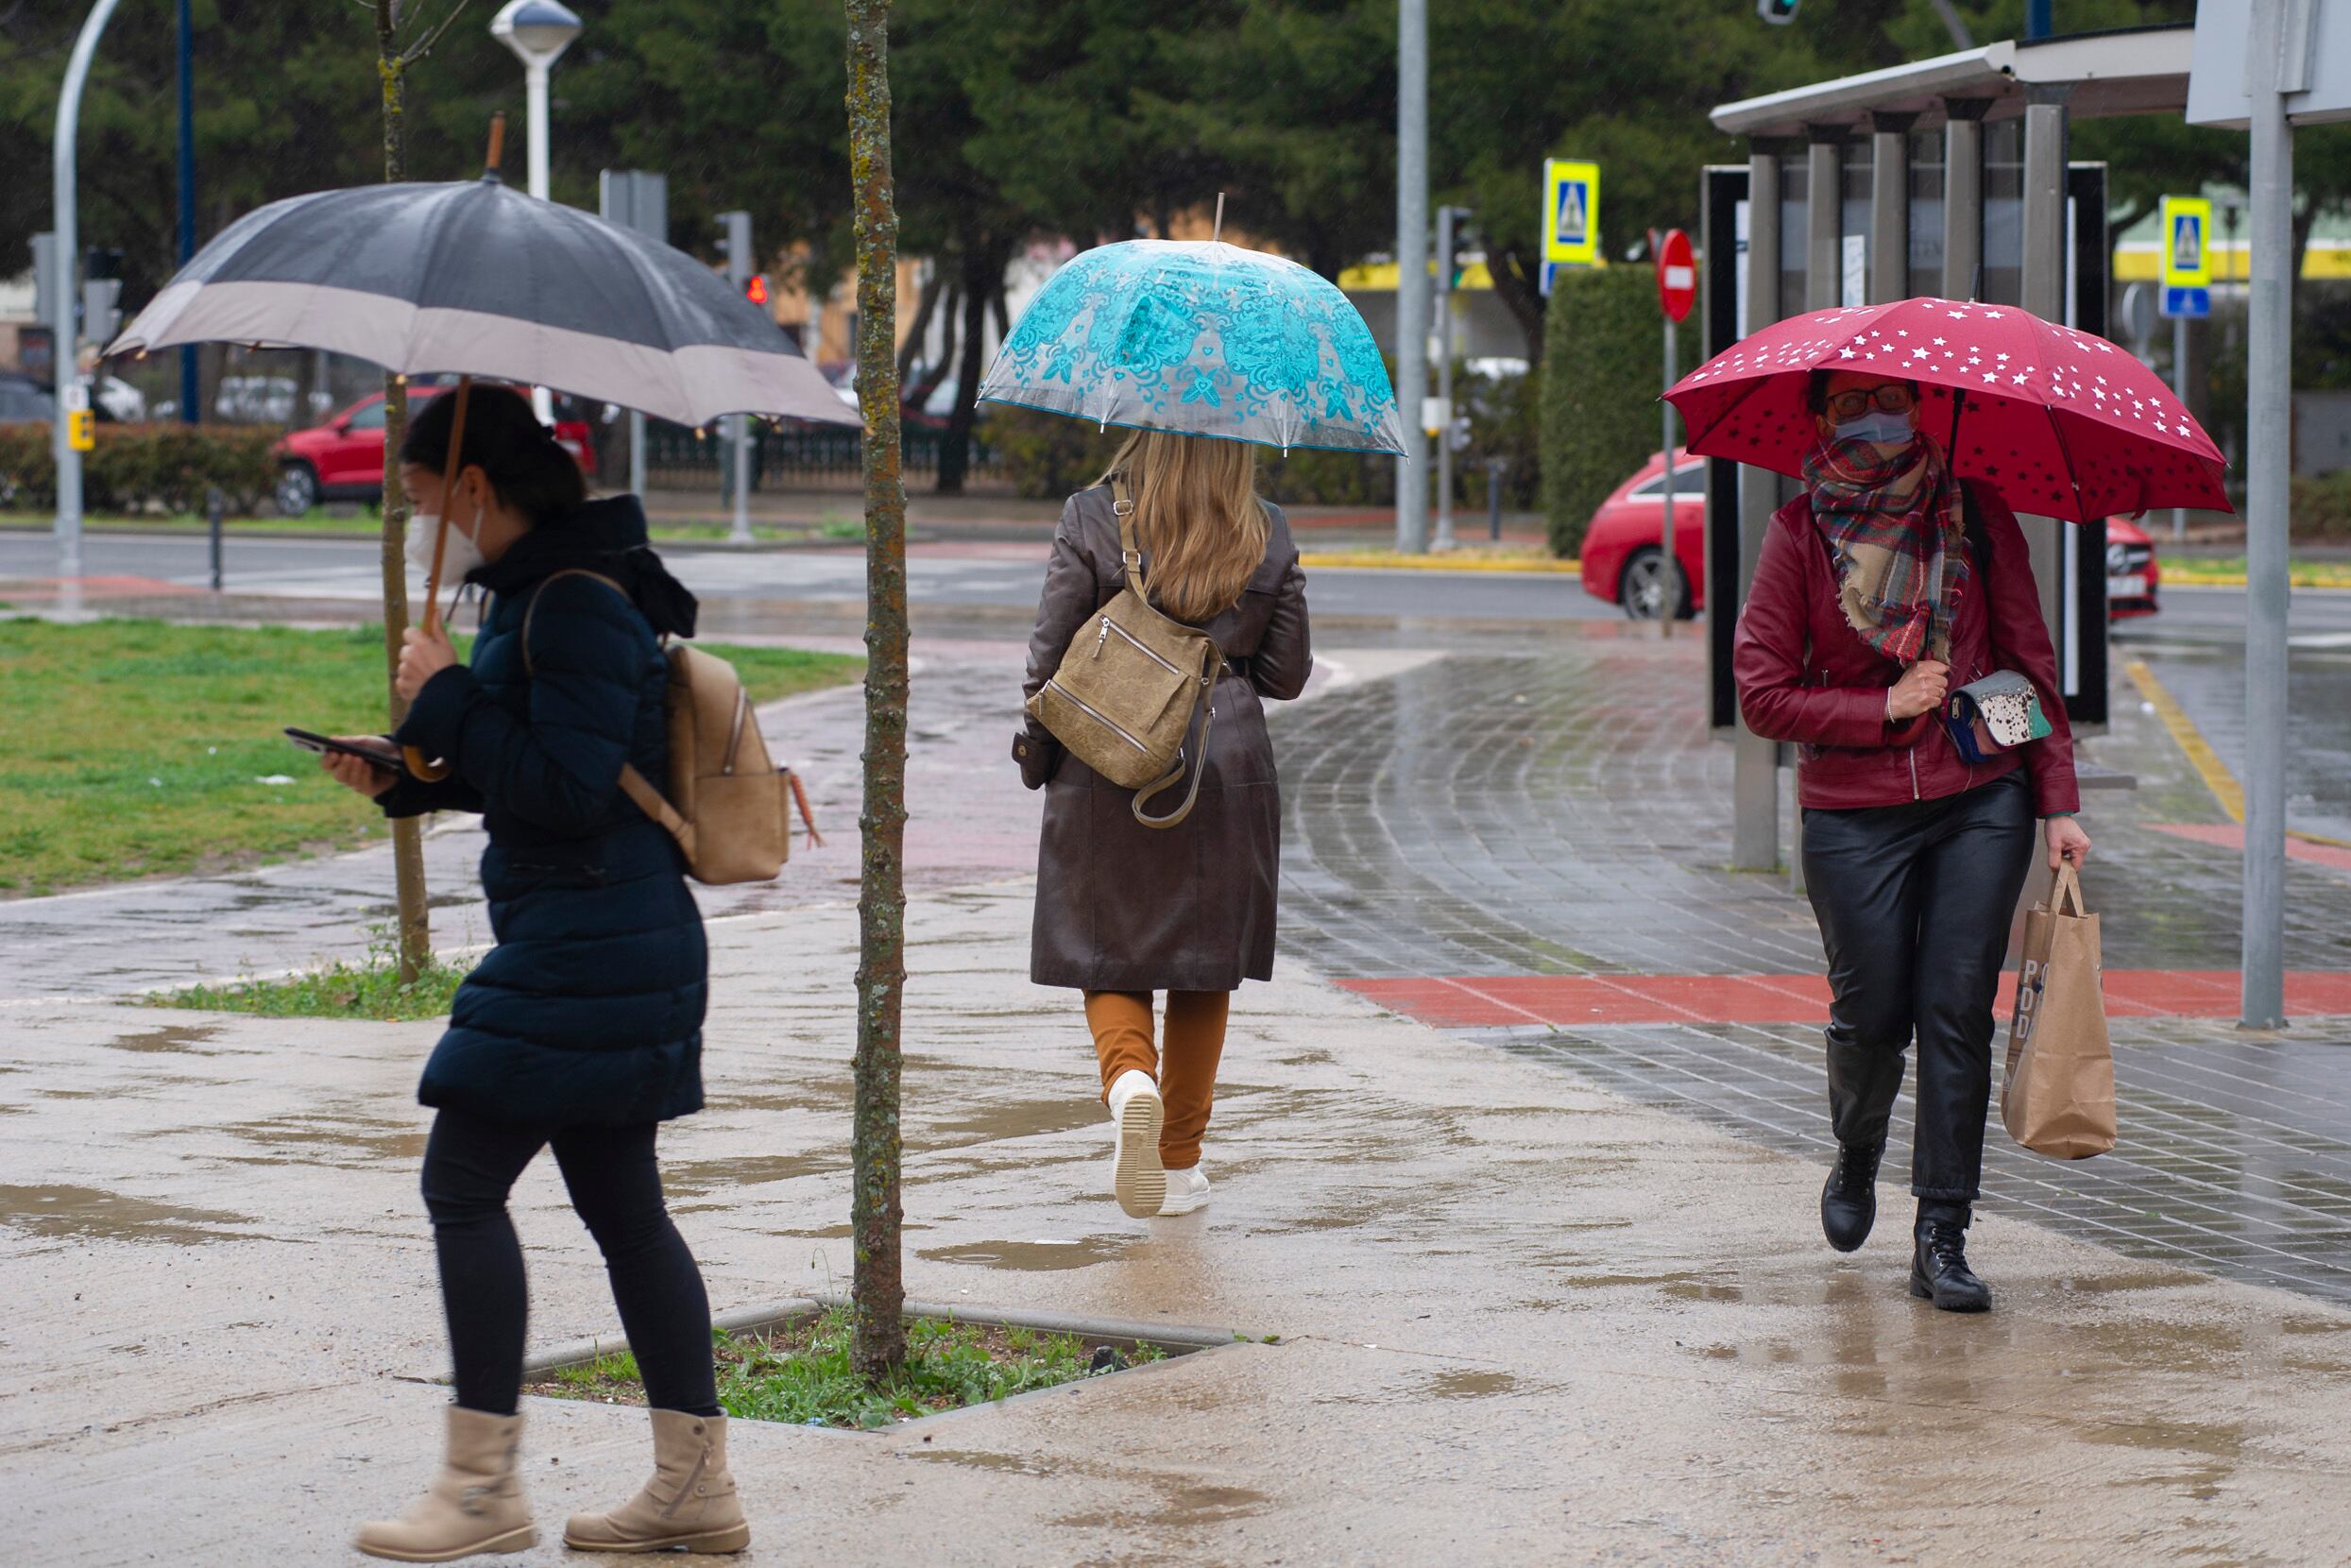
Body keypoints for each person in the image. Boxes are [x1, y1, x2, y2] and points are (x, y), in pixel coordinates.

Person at [320, 386, 748, 1559]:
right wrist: (409, 774)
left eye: (419, 502)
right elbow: (544, 772)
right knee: (623, 1209)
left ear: (472, 487)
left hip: (595, 940)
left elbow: (563, 789)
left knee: (462, 1179)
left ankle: (478, 1489)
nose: (418, 526)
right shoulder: (540, 594)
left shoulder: (573, 603)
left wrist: (448, 690)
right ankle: (692, 1486)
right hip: (597, 935)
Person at [1732, 369, 2092, 1315]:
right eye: (1849, 403)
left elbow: (2030, 660)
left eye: (1890, 398)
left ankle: (1941, 1231)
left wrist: (2056, 800)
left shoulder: (1974, 511)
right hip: (1850, 813)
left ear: (1922, 408)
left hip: (1981, 796)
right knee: (1870, 1014)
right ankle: (1855, 1148)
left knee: (1953, 1012)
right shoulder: (1795, 534)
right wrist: (1880, 703)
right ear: (1817, 418)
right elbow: (1760, 692)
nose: (1874, 416)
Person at [1018, 429, 1311, 1219]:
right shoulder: (1267, 526)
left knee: (1104, 948)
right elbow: (1284, 673)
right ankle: (1176, 1164)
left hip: (1109, 755)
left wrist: (1037, 754)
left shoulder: (1090, 515)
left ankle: (1128, 1083)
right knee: (1202, 966)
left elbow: (1049, 658)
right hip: (1227, 763)